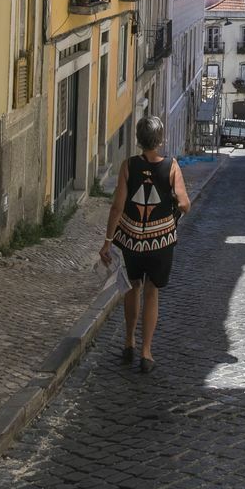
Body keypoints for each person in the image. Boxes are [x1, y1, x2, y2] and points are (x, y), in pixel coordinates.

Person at [99, 115, 191, 374]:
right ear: (160, 140)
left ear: (139, 140)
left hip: (130, 240)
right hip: (160, 242)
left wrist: (107, 241)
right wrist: (171, 199)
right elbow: (185, 205)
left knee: (132, 288)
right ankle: (146, 351)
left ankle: (128, 341)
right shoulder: (172, 167)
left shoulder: (129, 166)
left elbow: (117, 206)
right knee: (152, 291)